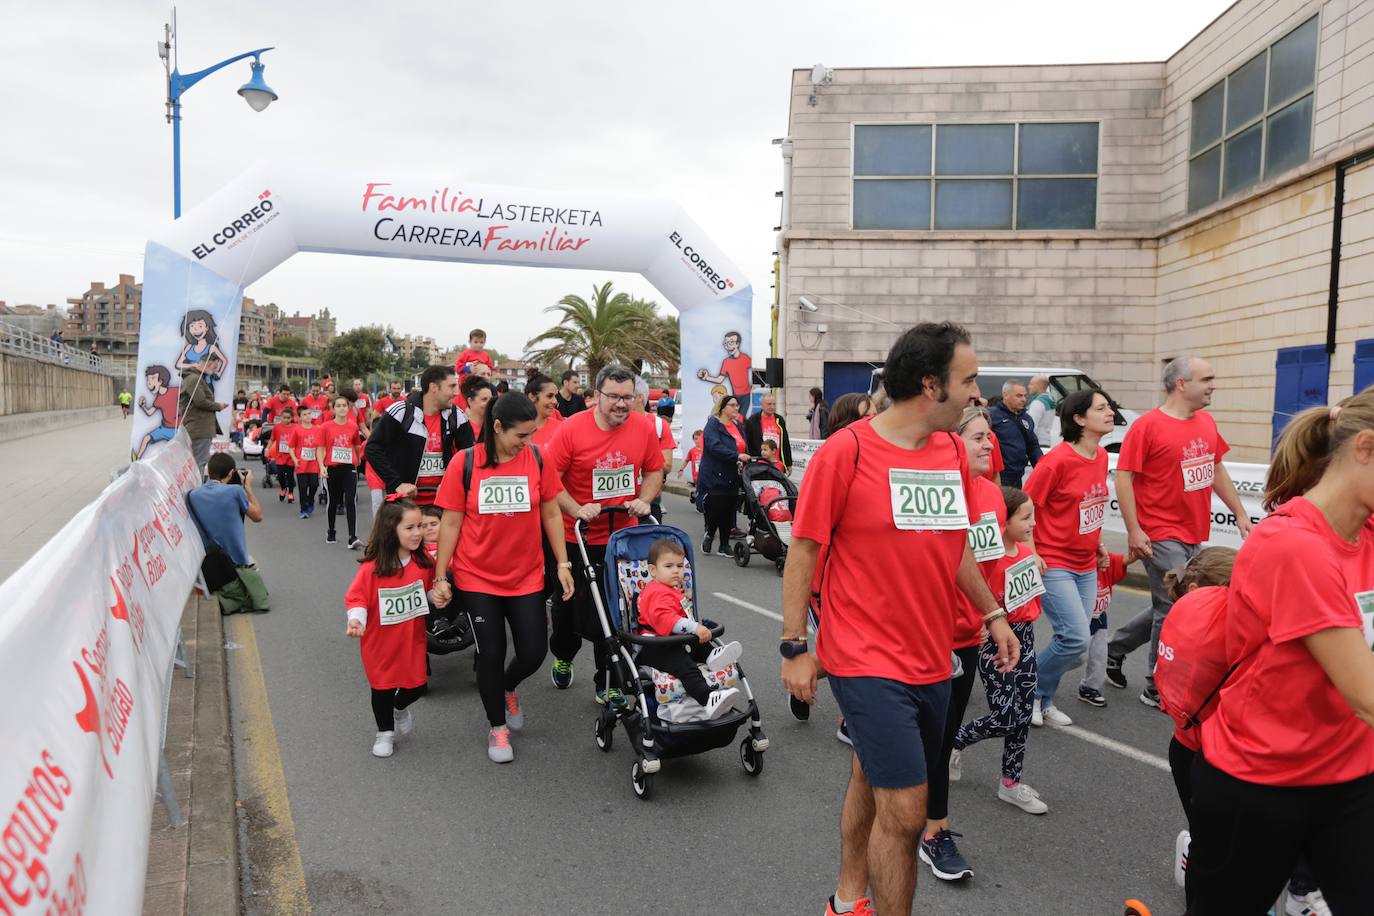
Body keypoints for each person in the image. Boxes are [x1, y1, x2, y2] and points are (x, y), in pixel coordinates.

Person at [781, 323, 1019, 916]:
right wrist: (794, 645)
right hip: (864, 657)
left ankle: (845, 898)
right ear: (931, 384)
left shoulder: (951, 451)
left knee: (870, 773)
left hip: (931, 654)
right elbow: (804, 549)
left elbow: (955, 541)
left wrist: (992, 612)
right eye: (968, 381)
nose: (977, 395)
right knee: (909, 814)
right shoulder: (848, 451)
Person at [1184, 392, 1374, 912]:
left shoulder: (1366, 528)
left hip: (1351, 774)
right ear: (1365, 448)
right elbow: (1368, 697)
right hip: (1262, 783)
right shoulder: (1295, 546)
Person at [431, 393, 576, 763]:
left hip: (526, 575)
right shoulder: (465, 463)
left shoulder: (537, 459)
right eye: (521, 436)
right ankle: (497, 728)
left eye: (531, 435)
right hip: (477, 576)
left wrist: (562, 563)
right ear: (497, 427)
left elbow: (551, 515)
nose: (527, 442)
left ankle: (509, 686)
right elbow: (450, 522)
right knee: (490, 653)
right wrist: (440, 576)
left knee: (533, 651)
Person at [1106, 355, 1251, 707]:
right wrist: (1134, 530)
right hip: (1159, 531)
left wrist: (1240, 513)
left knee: (1169, 600)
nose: (1212, 385)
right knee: (1173, 607)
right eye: (1207, 379)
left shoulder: (1205, 422)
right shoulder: (1148, 426)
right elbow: (1124, 475)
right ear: (1182, 384)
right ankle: (1156, 685)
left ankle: (1116, 648)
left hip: (1193, 531)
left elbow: (1215, 469)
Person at [544, 363, 665, 706]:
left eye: (628, 397)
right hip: (575, 536)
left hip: (621, 537)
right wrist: (576, 508)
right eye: (613, 397)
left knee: (615, 611)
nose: (621, 404)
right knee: (568, 611)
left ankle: (609, 679)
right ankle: (564, 654)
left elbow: (654, 470)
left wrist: (644, 499)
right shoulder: (571, 430)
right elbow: (549, 480)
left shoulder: (642, 427)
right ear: (596, 396)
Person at [919, 404, 1003, 883]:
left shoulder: (991, 492)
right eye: (976, 437)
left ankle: (930, 824)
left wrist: (998, 618)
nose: (987, 444)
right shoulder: (935, 491)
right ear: (949, 443)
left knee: (945, 734)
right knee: (925, 736)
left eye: (988, 437)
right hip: (924, 633)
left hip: (968, 632)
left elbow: (991, 561)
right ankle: (933, 829)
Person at [952, 486, 1049, 816]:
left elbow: (1032, 601)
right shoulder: (988, 564)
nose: (1033, 524)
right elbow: (979, 601)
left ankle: (1010, 782)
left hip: (1026, 637)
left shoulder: (1026, 554)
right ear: (1002, 523)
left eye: (1033, 516)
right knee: (1008, 715)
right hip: (997, 641)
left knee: (1021, 716)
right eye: (1025, 517)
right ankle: (956, 740)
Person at [1022, 388, 1114, 727]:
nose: (1109, 412)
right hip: (1053, 560)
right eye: (1101, 408)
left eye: (1108, 407)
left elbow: (1091, 505)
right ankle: (1028, 689)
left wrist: (1098, 541)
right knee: (1075, 637)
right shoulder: (1056, 461)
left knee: (1076, 641)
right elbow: (1025, 507)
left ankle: (1043, 698)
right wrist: (1030, 551)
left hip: (1085, 563)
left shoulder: (1101, 457)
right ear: (1079, 419)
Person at [344, 497, 451, 758]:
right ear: (391, 529)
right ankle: (385, 732)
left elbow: (426, 591)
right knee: (381, 688)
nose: (418, 533)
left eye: (421, 527)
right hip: (379, 643)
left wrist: (435, 596)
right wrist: (356, 619)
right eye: (410, 528)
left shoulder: (423, 561)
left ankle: (400, 707)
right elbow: (357, 597)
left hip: (411, 640)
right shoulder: (373, 568)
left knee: (416, 686)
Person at [634, 538, 743, 720]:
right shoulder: (656, 593)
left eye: (680, 565)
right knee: (686, 666)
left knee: (698, 641)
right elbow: (666, 620)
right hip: (655, 647)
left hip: (674, 641)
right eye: (669, 566)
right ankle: (708, 699)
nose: (676, 570)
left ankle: (712, 656)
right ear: (653, 570)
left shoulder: (670, 589)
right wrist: (694, 627)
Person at [365, 366, 472, 506]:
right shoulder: (401, 411)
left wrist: (453, 483)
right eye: (451, 386)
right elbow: (372, 448)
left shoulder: (456, 415)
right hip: (405, 503)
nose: (456, 392)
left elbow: (470, 455)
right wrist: (396, 483)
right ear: (434, 387)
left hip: (441, 503)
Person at [187, 453, 268, 614]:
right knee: (254, 566)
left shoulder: (192, 496)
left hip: (208, 567)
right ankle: (236, 595)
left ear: (209, 472)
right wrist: (248, 487)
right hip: (234, 567)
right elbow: (258, 516)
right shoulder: (235, 491)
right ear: (231, 473)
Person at [1077, 549, 1131, 708]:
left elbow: (1121, 561)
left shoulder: (1104, 556)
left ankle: (1089, 687)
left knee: (1100, 656)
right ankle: (1045, 678)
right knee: (1074, 657)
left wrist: (1136, 553)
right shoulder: (1081, 560)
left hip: (1099, 618)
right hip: (1081, 620)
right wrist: (1093, 564)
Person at [697, 394, 746, 556]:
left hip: (734, 472)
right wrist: (736, 456)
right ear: (723, 407)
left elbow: (744, 446)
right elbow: (713, 446)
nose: (736, 408)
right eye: (732, 405)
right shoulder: (713, 424)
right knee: (718, 507)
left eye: (737, 405)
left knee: (730, 508)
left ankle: (724, 545)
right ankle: (710, 534)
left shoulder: (738, 425)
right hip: (715, 472)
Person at [320, 395, 364, 548]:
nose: (341, 408)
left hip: (349, 468)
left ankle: (353, 537)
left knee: (350, 500)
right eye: (338, 406)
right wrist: (321, 466)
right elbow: (321, 448)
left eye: (344, 405)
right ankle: (331, 531)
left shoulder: (353, 426)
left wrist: (358, 459)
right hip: (332, 468)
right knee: (333, 501)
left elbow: (357, 445)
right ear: (334, 409)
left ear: (348, 408)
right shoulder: (326, 427)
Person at [633, 375, 676, 521]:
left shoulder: (659, 425)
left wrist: (639, 461)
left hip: (649, 500)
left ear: (639, 398)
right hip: (618, 501)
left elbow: (668, 466)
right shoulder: (616, 423)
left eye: (626, 396)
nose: (620, 402)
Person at [989, 379, 1042, 485]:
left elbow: (1033, 446)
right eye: (1019, 396)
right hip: (998, 478)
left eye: (1024, 396)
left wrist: (1042, 468)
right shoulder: (991, 416)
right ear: (1006, 395)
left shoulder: (1026, 419)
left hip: (1017, 478)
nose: (1023, 399)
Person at [178, 364, 226, 477]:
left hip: (197, 427)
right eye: (214, 367)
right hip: (200, 428)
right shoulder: (194, 379)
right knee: (199, 462)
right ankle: (197, 491)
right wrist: (218, 406)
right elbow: (200, 401)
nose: (215, 370)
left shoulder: (192, 378)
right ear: (209, 364)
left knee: (197, 462)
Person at [135, 365, 180, 458]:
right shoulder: (158, 399)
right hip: (165, 428)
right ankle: (137, 460)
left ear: (160, 381)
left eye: (152, 378)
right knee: (146, 439)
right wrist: (143, 406)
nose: (149, 382)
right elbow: (150, 413)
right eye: (148, 380)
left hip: (178, 429)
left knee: (177, 451)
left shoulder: (176, 391)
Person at [287, 405, 323, 518]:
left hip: (314, 463)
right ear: (300, 418)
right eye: (304, 415)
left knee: (314, 485)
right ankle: (303, 510)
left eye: (309, 414)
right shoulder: (297, 429)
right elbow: (291, 447)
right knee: (302, 487)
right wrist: (294, 459)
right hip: (301, 463)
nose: (307, 416)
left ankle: (310, 500)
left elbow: (321, 447)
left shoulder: (317, 429)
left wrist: (322, 461)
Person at [696, 330, 751, 402]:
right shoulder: (726, 362)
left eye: (731, 342)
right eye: (726, 343)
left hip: (747, 395)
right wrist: (706, 377)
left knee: (741, 413)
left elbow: (755, 370)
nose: (728, 346)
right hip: (735, 396)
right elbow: (719, 380)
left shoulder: (745, 358)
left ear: (738, 344)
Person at [745, 393, 793, 472]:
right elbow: (748, 442)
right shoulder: (753, 420)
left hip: (777, 465)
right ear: (761, 405)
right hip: (759, 464)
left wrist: (788, 463)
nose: (772, 407)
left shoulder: (779, 419)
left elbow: (785, 442)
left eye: (774, 404)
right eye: (769, 404)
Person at [525, 374, 563, 448]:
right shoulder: (517, 429)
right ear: (532, 397)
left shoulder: (561, 429)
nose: (555, 401)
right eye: (549, 396)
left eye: (556, 397)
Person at [267, 406, 297, 502]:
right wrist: (267, 448)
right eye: (284, 417)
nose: (286, 420)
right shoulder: (277, 427)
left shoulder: (295, 427)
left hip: (291, 456)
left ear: (292, 418)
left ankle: (291, 492)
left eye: (288, 418)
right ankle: (283, 488)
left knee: (290, 475)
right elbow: (272, 439)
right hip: (280, 455)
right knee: (280, 474)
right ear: (281, 417)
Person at [1025, 375, 1056, 444]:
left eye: (1031, 384)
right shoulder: (1049, 400)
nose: (1028, 386)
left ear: (1039, 386)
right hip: (1045, 441)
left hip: (1038, 443)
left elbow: (1032, 427)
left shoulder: (1038, 403)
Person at [677, 429, 703, 503]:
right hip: (697, 475)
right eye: (695, 439)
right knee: (700, 489)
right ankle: (700, 505)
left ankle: (694, 494)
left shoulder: (707, 450)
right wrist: (681, 470)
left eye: (699, 439)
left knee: (704, 490)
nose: (697, 441)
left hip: (706, 474)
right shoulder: (692, 451)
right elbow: (686, 461)